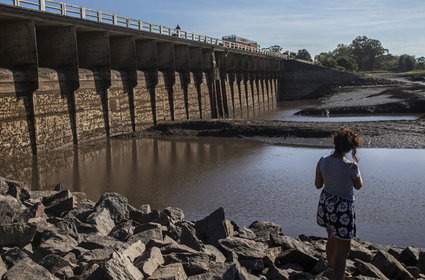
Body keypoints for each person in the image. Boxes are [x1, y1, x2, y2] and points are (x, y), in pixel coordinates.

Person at [315, 128, 364, 280]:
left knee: (331, 237)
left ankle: (331, 266)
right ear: (350, 148)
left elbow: (318, 185)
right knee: (343, 251)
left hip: (326, 203)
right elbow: (359, 186)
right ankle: (338, 276)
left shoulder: (323, 160)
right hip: (342, 209)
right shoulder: (351, 167)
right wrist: (356, 169)